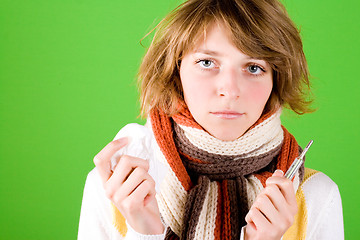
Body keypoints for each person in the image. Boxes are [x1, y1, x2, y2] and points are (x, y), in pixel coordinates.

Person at [78, 0, 344, 239]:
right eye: (207, 62)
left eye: (254, 68)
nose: (229, 89)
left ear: (275, 81)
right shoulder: (118, 186)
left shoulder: (314, 196)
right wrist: (145, 232)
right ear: (175, 71)